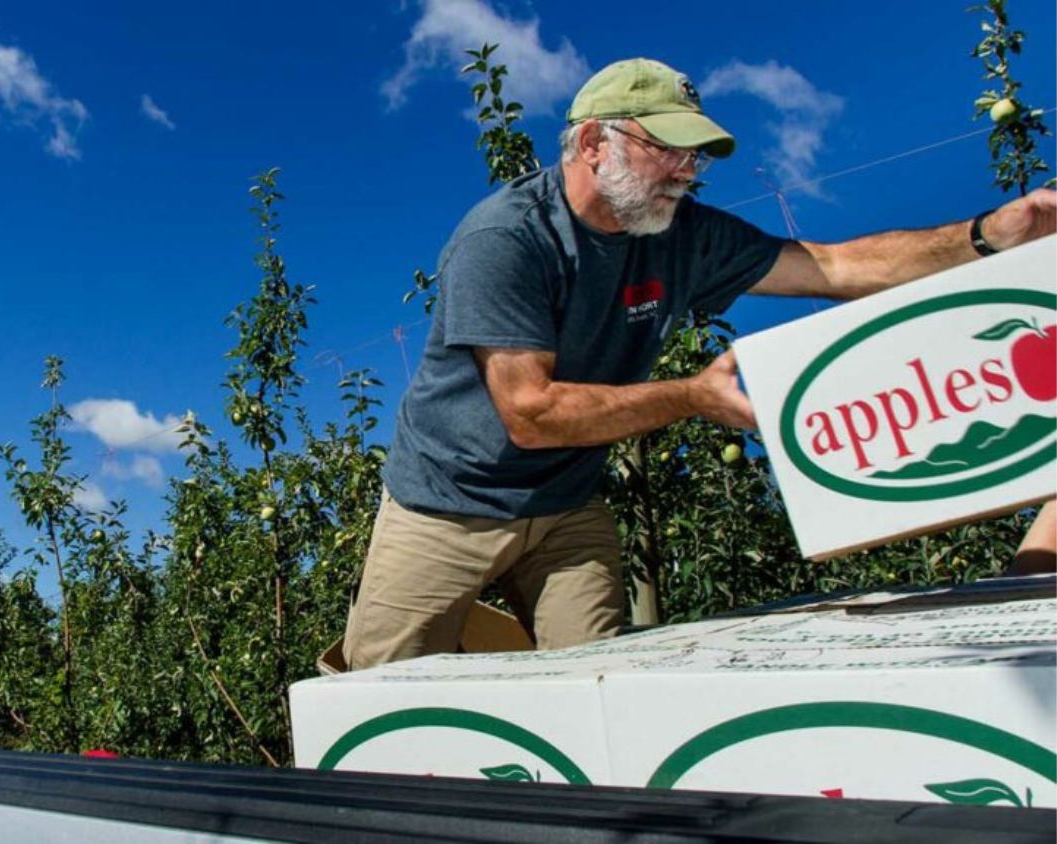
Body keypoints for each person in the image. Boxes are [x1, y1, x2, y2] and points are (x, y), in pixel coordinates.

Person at [344, 57, 1057, 670]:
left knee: (598, 680)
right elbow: (531, 413)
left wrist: (986, 237)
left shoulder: (681, 234)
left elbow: (834, 266)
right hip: (445, 501)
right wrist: (691, 396)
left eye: (698, 155)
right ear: (595, 142)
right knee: (377, 697)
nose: (689, 171)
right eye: (671, 149)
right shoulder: (505, 240)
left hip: (565, 501)